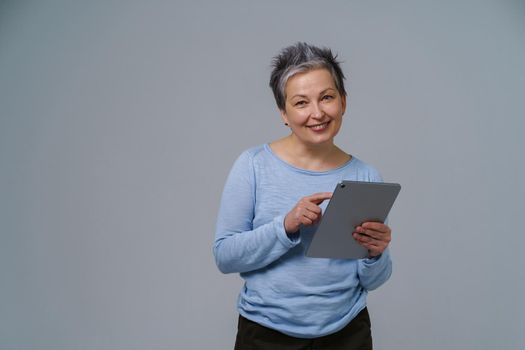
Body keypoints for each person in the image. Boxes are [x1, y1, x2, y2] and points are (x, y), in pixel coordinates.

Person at [213, 42, 393, 350]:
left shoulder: (366, 176)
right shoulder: (253, 165)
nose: (317, 113)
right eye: (301, 103)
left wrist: (376, 254)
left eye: (327, 97)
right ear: (283, 113)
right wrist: (285, 225)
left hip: (347, 333)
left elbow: (373, 281)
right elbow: (225, 256)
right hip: (266, 333)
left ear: (343, 102)